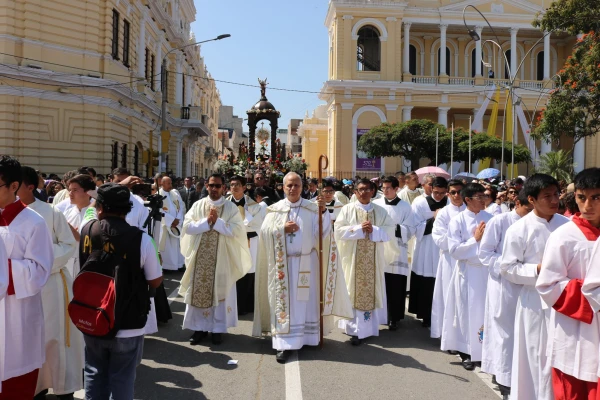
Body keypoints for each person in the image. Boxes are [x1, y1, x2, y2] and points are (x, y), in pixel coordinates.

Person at [253, 172, 352, 363]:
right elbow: (264, 233)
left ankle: (307, 337)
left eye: (296, 185)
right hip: (283, 264)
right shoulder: (274, 210)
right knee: (284, 303)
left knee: (305, 304)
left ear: (302, 187)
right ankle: (284, 344)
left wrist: (323, 213)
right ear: (283, 187)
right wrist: (281, 229)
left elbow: (322, 234)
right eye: (289, 185)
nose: (292, 188)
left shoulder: (312, 208)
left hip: (307, 262)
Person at [79, 183, 162, 399]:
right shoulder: (143, 239)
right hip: (128, 320)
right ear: (128, 208)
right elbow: (155, 281)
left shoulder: (86, 230)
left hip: (93, 315)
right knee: (123, 377)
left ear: (100, 207)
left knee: (94, 373)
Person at [500, 174, 568, 400]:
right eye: (546, 196)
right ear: (531, 199)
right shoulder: (519, 230)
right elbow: (508, 268)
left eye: (556, 194)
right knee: (534, 356)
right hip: (533, 304)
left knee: (560, 357)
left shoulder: (567, 226)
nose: (554, 200)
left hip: (565, 302)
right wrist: (537, 269)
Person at [18, 167, 82, 400]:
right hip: (19, 287)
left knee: (53, 338)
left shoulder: (50, 212)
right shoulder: (7, 213)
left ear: (28, 187)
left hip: (51, 284)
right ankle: (35, 386)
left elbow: (68, 245)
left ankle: (62, 386)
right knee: (27, 338)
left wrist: (37, 261)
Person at [538, 168, 600, 399]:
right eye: (582, 197)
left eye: (596, 198)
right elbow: (548, 285)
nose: (587, 206)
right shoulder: (564, 236)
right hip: (576, 331)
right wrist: (592, 293)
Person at [0, 155, 53, 400]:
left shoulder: (33, 222)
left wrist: (3, 269)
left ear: (13, 186)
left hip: (16, 317)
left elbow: (39, 271)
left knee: (15, 386)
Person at [180, 174, 251, 345]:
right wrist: (206, 221)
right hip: (200, 259)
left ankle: (218, 329)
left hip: (222, 258)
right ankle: (199, 329)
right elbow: (187, 227)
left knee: (221, 294)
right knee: (199, 292)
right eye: (211, 185)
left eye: (218, 186)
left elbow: (237, 231)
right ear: (206, 185)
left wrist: (217, 222)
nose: (214, 189)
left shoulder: (230, 208)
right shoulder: (198, 205)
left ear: (223, 188)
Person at [478, 192, 532, 398]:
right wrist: (510, 265)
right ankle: (504, 377)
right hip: (504, 284)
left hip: (529, 285)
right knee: (505, 332)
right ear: (518, 203)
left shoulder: (539, 222)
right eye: (528, 208)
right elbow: (485, 254)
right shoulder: (500, 221)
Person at [336, 178, 395, 345]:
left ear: (372, 191)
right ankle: (354, 329)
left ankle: (369, 328)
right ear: (355, 192)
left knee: (371, 290)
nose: (363, 193)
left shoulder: (380, 211)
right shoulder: (347, 209)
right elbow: (338, 231)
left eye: (367, 189)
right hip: (353, 260)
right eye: (360, 189)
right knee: (352, 290)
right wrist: (357, 229)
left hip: (373, 260)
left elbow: (389, 231)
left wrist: (374, 230)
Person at [440, 183, 492, 370]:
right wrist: (475, 239)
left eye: (484, 196)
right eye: (479, 196)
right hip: (467, 272)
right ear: (468, 199)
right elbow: (454, 250)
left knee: (485, 312)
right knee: (466, 312)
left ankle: (484, 352)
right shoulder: (458, 221)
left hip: (486, 272)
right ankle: (467, 352)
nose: (484, 200)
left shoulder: (491, 218)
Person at [373, 176, 415, 330]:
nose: (385, 190)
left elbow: (410, 229)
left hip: (397, 251)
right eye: (383, 188)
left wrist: (395, 228)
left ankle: (394, 317)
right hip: (380, 250)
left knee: (395, 285)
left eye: (388, 188)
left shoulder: (405, 207)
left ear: (396, 188)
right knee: (380, 284)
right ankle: (379, 315)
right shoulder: (375, 204)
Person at [409, 177, 448, 328]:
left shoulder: (450, 203)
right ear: (431, 189)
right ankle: (425, 314)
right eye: (436, 192)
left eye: (442, 193)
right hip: (426, 245)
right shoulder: (420, 203)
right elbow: (414, 226)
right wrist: (434, 219)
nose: (439, 196)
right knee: (426, 279)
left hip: (442, 246)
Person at [430, 179, 465, 339]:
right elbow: (439, 238)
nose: (457, 195)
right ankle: (448, 335)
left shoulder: (472, 211)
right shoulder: (443, 213)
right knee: (447, 296)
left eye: (459, 191)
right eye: (453, 192)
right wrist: (460, 242)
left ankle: (464, 335)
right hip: (449, 261)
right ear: (447, 194)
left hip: (467, 262)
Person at [226, 175, 264, 315]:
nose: (234, 187)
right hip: (230, 241)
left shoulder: (253, 205)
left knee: (248, 271)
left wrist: (238, 228)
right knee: (231, 271)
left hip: (249, 242)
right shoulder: (224, 204)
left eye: (237, 184)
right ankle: (231, 305)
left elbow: (258, 223)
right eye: (232, 184)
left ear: (243, 187)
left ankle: (246, 305)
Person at [63, 174, 95, 278]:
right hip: (67, 263)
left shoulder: (96, 215)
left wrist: (77, 235)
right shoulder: (67, 213)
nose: (70, 194)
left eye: (75, 190)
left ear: (88, 192)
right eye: (70, 190)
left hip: (88, 265)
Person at [159, 177, 185, 272]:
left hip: (176, 224)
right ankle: (167, 266)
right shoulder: (159, 195)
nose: (171, 185)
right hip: (166, 226)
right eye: (168, 183)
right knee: (167, 247)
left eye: (171, 183)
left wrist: (178, 219)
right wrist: (171, 220)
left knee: (176, 246)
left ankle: (178, 264)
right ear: (162, 184)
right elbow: (160, 210)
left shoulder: (174, 194)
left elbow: (181, 206)